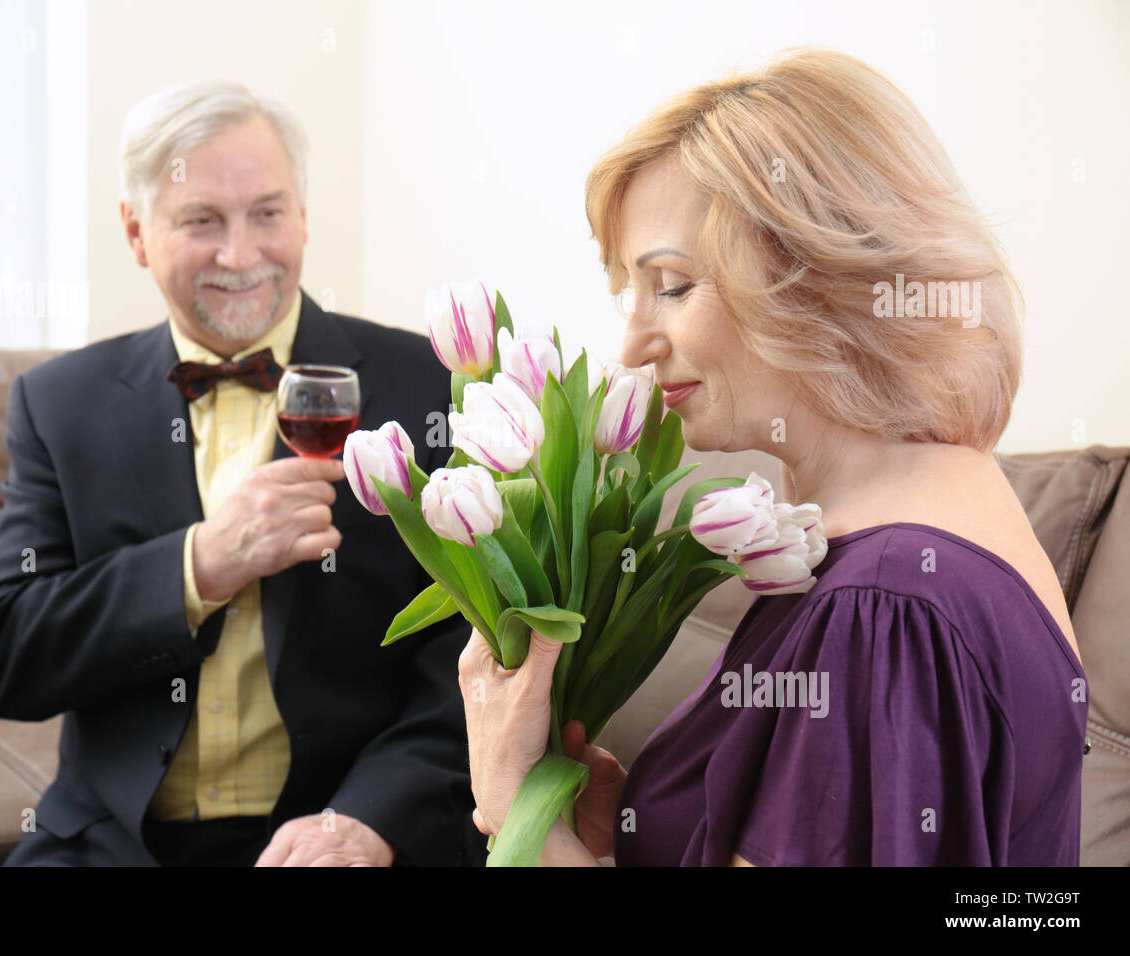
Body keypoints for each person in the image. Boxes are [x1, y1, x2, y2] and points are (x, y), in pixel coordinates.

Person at [459, 49, 1088, 866]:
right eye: (630, 292)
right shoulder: (940, 516)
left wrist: (517, 811)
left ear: (815, 276)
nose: (634, 345)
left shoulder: (882, 608)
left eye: (673, 287)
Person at [0, 80, 483, 867]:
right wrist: (201, 564)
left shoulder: (428, 384)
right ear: (137, 232)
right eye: (202, 220)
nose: (241, 256)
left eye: (268, 213)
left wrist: (370, 819)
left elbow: (470, 657)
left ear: (303, 216)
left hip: (337, 834)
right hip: (111, 844)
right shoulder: (57, 403)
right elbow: (2, 655)